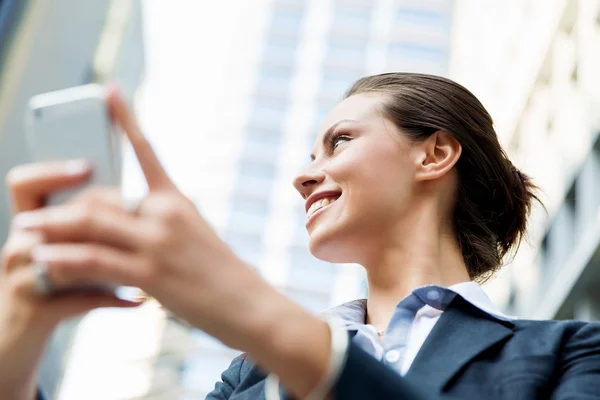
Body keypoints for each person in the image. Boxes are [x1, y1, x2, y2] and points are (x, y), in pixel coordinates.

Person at [0, 73, 598, 400]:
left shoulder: (571, 355)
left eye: (340, 141)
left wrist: (250, 310)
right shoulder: (252, 376)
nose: (303, 174)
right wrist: (15, 351)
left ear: (435, 153)